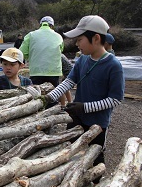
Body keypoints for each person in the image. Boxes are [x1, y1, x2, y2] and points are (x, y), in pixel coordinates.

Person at [34, 15, 124, 165]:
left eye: (79, 39)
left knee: (95, 156)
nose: (76, 44)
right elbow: (69, 81)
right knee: (71, 151)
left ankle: (94, 183)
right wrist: (49, 98)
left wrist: (85, 107)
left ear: (95, 38)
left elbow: (115, 99)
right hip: (77, 118)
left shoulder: (113, 65)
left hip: (98, 123)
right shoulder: (82, 60)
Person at [19, 16, 64, 89]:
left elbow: (22, 52)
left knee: (36, 94)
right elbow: (61, 50)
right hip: (54, 71)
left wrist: (30, 57)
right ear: (52, 26)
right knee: (54, 94)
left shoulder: (31, 35)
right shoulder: (58, 36)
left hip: (36, 71)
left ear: (40, 25)